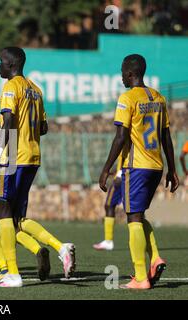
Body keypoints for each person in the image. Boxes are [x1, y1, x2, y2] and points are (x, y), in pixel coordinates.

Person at [0, 47, 75, 287]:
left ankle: (13, 274)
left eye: (1, 61)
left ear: (11, 64)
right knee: (17, 218)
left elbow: (7, 120)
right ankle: (60, 248)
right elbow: (44, 128)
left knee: (3, 213)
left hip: (14, 156)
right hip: (33, 156)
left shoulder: (10, 87)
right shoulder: (36, 90)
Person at [99, 54, 179, 290]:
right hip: (156, 166)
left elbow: (121, 136)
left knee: (133, 217)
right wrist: (172, 169)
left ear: (131, 73)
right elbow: (166, 136)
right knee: (139, 214)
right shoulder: (159, 97)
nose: (121, 76)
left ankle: (140, 277)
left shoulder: (127, 98)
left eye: (123, 72)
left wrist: (106, 169)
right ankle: (155, 258)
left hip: (135, 167)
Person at [0, 96, 51, 282]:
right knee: (12, 221)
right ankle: (38, 249)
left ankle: (6, 269)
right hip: (15, 171)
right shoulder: (4, 119)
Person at [93, 153, 123, 251]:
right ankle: (144, 240)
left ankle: (108, 241)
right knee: (136, 211)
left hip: (123, 177)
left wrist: (119, 173)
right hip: (134, 174)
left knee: (109, 205)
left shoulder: (127, 137)